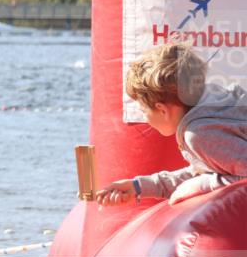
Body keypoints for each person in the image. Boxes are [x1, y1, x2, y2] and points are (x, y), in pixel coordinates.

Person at [96, 43, 246, 206]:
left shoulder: (200, 134)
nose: (145, 118)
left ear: (162, 110)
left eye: (143, 110)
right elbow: (206, 171)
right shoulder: (215, 101)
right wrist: (138, 187)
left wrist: (203, 185)